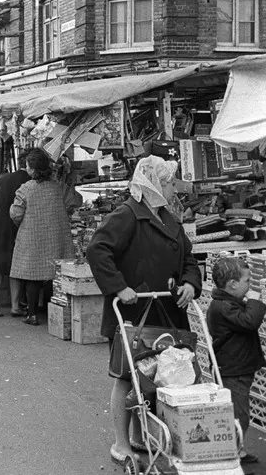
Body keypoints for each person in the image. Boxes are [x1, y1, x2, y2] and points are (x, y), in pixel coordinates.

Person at [86, 155, 200, 466]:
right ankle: (121, 442)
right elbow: (98, 250)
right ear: (155, 184)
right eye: (169, 182)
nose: (174, 188)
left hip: (166, 311)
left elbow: (188, 260)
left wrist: (190, 283)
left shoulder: (168, 218)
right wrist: (118, 286)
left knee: (154, 377)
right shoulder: (127, 215)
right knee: (128, 378)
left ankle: (139, 436)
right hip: (134, 312)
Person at [8, 148, 82, 326]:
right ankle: (51, 311)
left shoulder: (25, 189)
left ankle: (32, 314)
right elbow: (75, 201)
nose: (26, 169)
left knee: (32, 275)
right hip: (56, 234)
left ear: (33, 169)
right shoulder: (59, 187)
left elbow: (15, 213)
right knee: (52, 273)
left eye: (27, 166)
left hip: (31, 236)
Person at [206, 255, 264, 466]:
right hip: (232, 369)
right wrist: (257, 301)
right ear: (232, 284)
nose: (250, 285)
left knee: (237, 411)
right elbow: (250, 322)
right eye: (247, 281)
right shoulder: (223, 307)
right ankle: (232, 453)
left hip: (237, 367)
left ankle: (234, 450)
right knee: (238, 414)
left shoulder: (228, 302)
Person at [0, 149, 31, 318]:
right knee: (14, 267)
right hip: (16, 227)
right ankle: (15, 306)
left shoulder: (5, 178)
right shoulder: (31, 181)